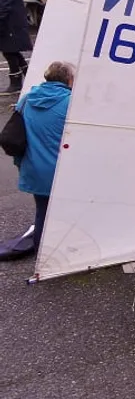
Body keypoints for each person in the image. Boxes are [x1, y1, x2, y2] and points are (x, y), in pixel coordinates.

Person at [1, 60, 71, 260]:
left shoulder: (27, 99)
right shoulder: (71, 102)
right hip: (61, 170)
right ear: (68, 79)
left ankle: (43, 257)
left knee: (42, 212)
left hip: (34, 169)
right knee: (68, 213)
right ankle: (68, 255)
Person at [0, 0, 27, 90]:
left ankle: (16, 82)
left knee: (10, 51)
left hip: (10, 24)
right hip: (9, 23)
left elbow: (4, 5)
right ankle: (27, 75)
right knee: (12, 51)